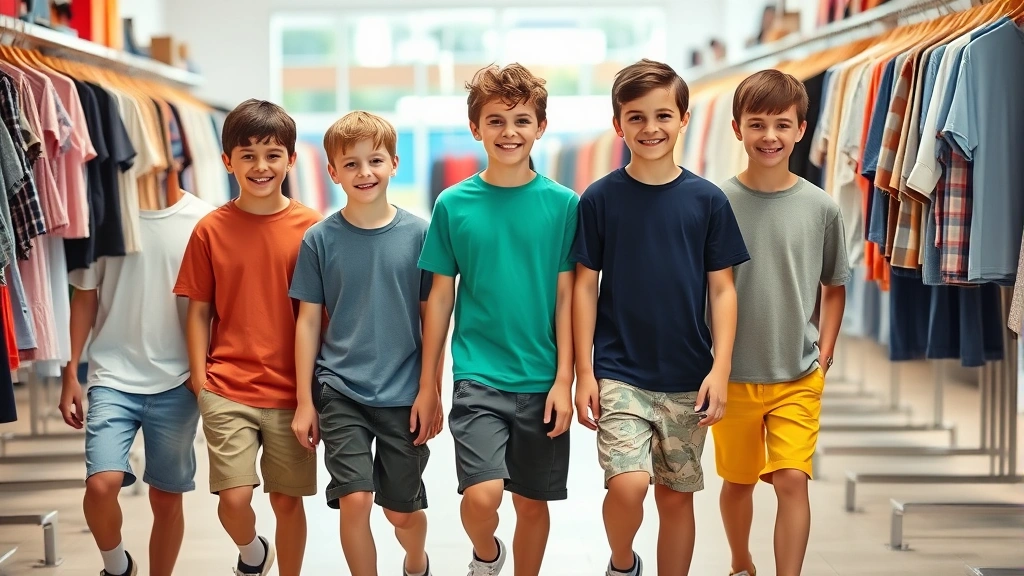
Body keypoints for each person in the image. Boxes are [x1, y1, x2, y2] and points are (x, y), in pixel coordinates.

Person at [572, 58, 750, 576]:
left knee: (676, 499)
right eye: (636, 117)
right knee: (628, 484)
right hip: (619, 370)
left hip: (687, 375)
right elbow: (585, 288)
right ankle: (623, 562)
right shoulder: (600, 198)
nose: (650, 128)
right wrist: (586, 370)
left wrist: (721, 369)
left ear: (684, 118)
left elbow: (723, 290)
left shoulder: (707, 200)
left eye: (663, 116)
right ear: (618, 124)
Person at [418, 63, 578, 576]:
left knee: (533, 504)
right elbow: (440, 299)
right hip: (477, 377)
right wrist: (429, 386)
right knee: (483, 495)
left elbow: (568, 299)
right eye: (496, 121)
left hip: (542, 380)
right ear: (475, 128)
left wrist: (565, 381)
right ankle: (487, 554)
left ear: (540, 127)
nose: (509, 132)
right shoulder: (453, 204)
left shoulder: (564, 205)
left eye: (521, 120)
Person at [289, 110, 442, 576]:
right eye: (350, 164)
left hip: (403, 393)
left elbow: (432, 318)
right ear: (331, 172)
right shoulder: (318, 239)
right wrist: (303, 401)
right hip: (340, 390)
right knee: (354, 499)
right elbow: (308, 324)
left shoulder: (420, 234)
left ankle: (416, 558)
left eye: (374, 160)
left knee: (400, 512)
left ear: (395, 163)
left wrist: (430, 389)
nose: (364, 173)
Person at [173, 99, 321, 576]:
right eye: (249, 154)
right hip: (227, 386)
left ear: (292, 159)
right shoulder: (210, 230)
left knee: (287, 501)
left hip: (291, 392)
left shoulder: (314, 229)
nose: (261, 166)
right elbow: (198, 312)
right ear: (227, 161)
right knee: (234, 499)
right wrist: (201, 378)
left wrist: (310, 394)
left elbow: (323, 316)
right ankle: (253, 551)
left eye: (273, 154)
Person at [713, 69, 850, 576]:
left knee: (793, 478)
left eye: (781, 125)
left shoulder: (822, 207)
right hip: (731, 378)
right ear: (736, 129)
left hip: (798, 375)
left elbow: (834, 286)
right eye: (757, 124)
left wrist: (826, 352)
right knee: (739, 483)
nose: (769, 136)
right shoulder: (715, 204)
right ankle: (740, 561)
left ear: (800, 129)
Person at [58, 191, 215, 576]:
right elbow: (85, 296)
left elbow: (215, 305)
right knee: (100, 484)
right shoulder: (104, 214)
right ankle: (117, 567)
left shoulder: (204, 218)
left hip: (178, 380)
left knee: (166, 498)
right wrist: (69, 373)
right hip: (111, 375)